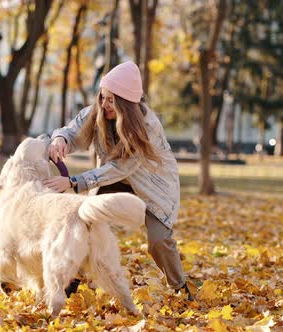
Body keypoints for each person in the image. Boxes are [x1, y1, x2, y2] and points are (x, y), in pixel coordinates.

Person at [42, 61, 194, 301]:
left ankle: (180, 288)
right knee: (86, 223)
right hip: (112, 181)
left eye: (111, 100)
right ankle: (73, 280)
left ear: (126, 102)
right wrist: (60, 139)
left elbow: (120, 168)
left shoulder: (148, 126)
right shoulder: (99, 112)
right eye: (102, 97)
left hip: (154, 187)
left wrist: (73, 182)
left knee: (158, 241)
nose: (104, 104)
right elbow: (73, 132)